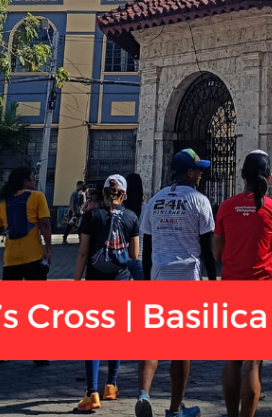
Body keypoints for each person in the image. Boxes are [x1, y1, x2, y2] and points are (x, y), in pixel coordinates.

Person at [135, 148, 217, 417]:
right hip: (186, 279)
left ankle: (144, 394)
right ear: (190, 173)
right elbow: (207, 249)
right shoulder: (199, 201)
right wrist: (213, 281)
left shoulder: (154, 202)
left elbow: (146, 251)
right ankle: (174, 410)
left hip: (158, 276)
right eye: (199, 169)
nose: (202, 174)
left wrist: (147, 282)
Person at [214, 150, 272, 417]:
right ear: (269, 176)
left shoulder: (225, 207)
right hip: (261, 293)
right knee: (253, 364)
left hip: (231, 290)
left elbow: (217, 254)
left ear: (242, 175)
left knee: (232, 361)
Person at [73, 174, 140, 413]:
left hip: (95, 281)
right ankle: (111, 385)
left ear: (102, 194)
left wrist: (76, 281)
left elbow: (83, 253)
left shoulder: (92, 216)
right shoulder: (132, 217)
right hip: (120, 282)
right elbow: (134, 256)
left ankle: (92, 392)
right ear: (124, 194)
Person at [0, 166, 53, 281]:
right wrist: (49, 251)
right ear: (25, 182)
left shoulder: (2, 205)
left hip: (10, 259)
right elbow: (44, 224)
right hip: (34, 257)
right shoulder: (37, 196)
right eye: (32, 179)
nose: (34, 181)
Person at [63, 179, 86, 244]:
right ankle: (64, 239)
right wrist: (73, 212)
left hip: (79, 212)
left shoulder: (82, 194)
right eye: (81, 185)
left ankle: (80, 240)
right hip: (74, 212)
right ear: (78, 185)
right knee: (70, 225)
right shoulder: (75, 193)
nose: (82, 187)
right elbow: (72, 203)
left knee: (79, 226)